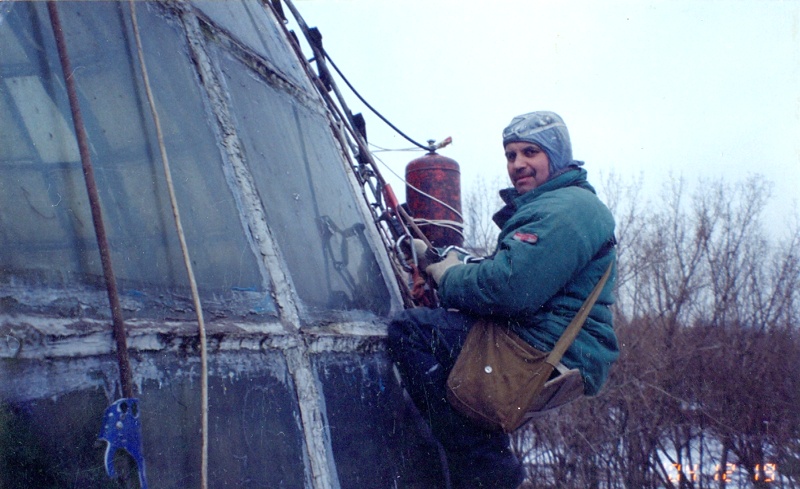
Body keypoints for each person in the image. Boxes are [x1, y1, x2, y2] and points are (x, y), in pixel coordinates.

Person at [387, 111, 619, 489]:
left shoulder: (565, 208)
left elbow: (509, 290)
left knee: (411, 331)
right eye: (511, 155)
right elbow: (513, 271)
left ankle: (486, 467)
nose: (518, 164)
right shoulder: (555, 205)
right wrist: (455, 263)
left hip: (543, 346)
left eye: (530, 152)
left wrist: (447, 276)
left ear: (557, 156)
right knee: (441, 332)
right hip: (547, 340)